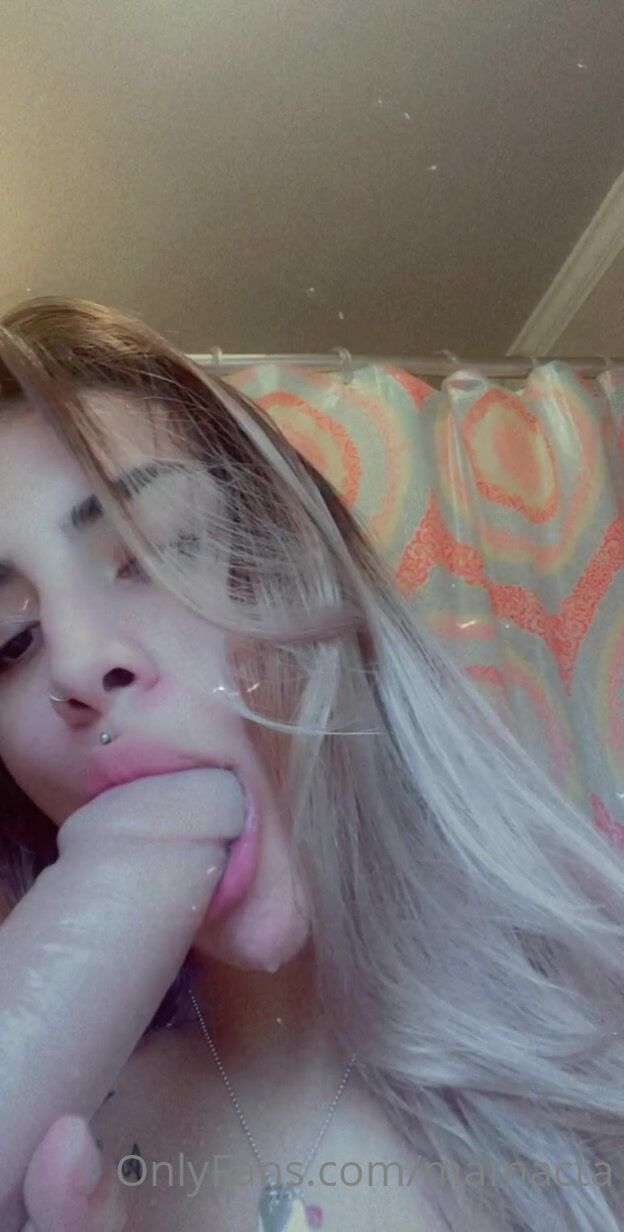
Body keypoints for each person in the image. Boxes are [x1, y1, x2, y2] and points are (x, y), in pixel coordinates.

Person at [0, 297, 623, 1232]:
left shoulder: (601, 1019)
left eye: (155, 554)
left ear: (310, 570)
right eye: (10, 642)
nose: (78, 662)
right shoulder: (53, 1140)